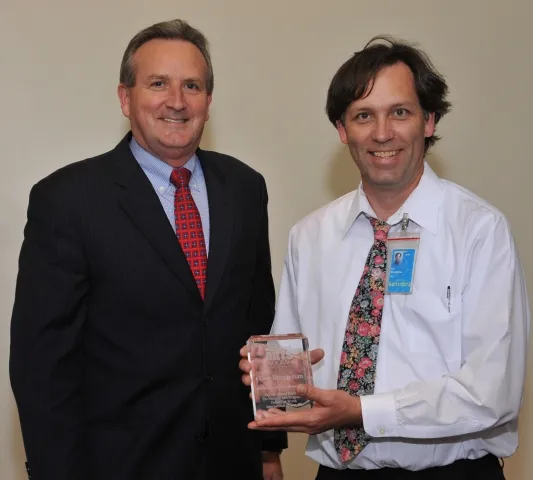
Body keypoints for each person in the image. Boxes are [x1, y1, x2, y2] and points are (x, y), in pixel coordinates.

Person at [239, 35, 530, 479]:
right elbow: (297, 377)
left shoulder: (480, 231)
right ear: (342, 130)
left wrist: (361, 411)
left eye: (400, 112)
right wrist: (271, 380)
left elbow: (494, 393)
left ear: (429, 120)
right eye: (363, 116)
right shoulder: (309, 237)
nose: (381, 133)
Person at [9, 19, 286, 480]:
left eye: (192, 86)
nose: (176, 101)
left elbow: (258, 322)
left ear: (209, 102)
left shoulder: (244, 188)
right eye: (158, 83)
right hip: (118, 465)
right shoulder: (68, 200)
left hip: (232, 461)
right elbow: (42, 367)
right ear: (125, 97)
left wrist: (268, 446)